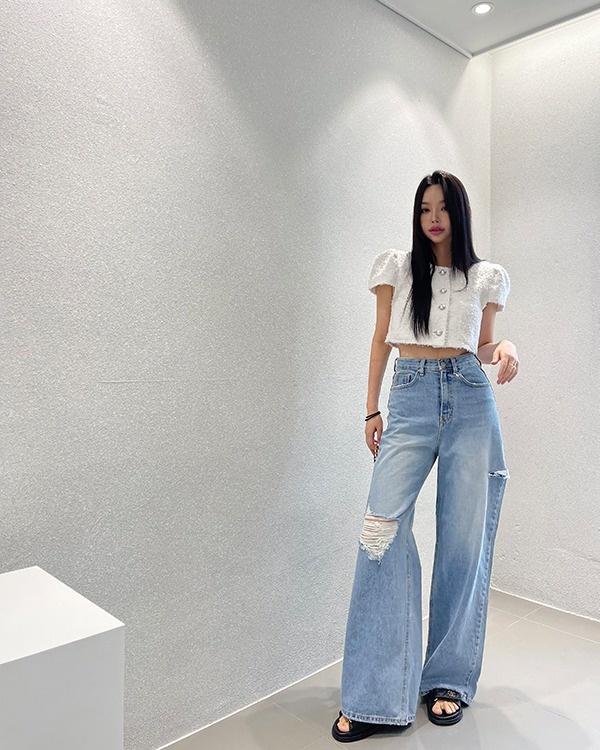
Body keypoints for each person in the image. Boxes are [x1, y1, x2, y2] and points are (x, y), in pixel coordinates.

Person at [331, 170, 519, 743]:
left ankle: (448, 680)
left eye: (442, 208)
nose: (433, 218)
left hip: (470, 398)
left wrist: (506, 347)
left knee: (463, 541)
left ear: (459, 214)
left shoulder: (484, 277)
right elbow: (380, 339)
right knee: (380, 534)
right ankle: (373, 696)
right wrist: (371, 410)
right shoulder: (396, 267)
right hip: (409, 397)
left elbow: (482, 346)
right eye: (424, 208)